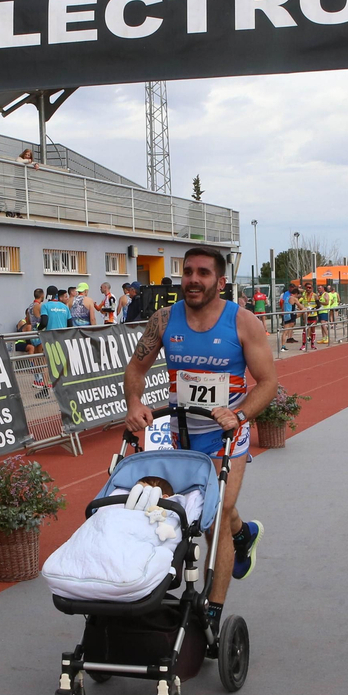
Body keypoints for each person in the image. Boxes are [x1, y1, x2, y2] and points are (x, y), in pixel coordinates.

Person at [124, 247, 278, 643]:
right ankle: (243, 534)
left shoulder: (244, 323)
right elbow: (137, 368)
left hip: (227, 434)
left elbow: (267, 382)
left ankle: (214, 606)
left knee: (214, 515)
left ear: (220, 281)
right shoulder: (164, 319)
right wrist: (135, 403)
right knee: (194, 510)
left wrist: (239, 415)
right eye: (187, 272)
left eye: (203, 273)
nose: (193, 279)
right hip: (181, 432)